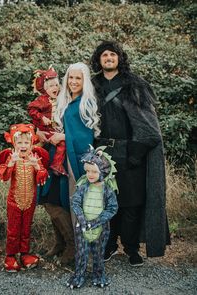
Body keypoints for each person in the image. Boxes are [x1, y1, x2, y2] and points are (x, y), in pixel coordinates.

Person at [91, 40, 170, 266]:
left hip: (130, 151)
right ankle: (109, 245)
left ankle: (132, 248)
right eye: (104, 54)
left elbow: (148, 125)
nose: (108, 58)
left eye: (112, 54)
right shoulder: (92, 85)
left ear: (119, 58)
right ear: (99, 59)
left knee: (132, 203)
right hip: (101, 152)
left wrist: (136, 151)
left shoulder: (134, 84)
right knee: (107, 202)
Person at [37, 62, 100, 265]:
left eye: (78, 78)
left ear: (84, 81)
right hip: (56, 157)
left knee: (63, 200)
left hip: (73, 159)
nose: (73, 82)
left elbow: (86, 137)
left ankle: (72, 246)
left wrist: (62, 137)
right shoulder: (62, 100)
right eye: (70, 78)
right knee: (49, 198)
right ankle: (61, 242)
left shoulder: (86, 103)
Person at [0, 123, 49, 272]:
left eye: (26, 142)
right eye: (19, 142)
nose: (23, 145)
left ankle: (25, 254)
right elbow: (4, 176)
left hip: (30, 201)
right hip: (14, 201)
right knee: (13, 229)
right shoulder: (11, 157)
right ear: (14, 143)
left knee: (26, 229)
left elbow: (42, 177)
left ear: (31, 143)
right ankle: (10, 256)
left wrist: (37, 167)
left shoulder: (35, 157)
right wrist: (11, 163)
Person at [67, 145, 118, 289]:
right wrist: (82, 219)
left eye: (94, 171)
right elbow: (75, 202)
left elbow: (113, 208)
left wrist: (98, 221)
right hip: (82, 228)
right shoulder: (83, 186)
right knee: (81, 254)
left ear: (103, 171)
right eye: (88, 171)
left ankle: (98, 275)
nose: (90, 174)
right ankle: (78, 276)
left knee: (98, 254)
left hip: (101, 229)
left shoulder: (108, 189)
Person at [28, 67, 67, 176]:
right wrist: (41, 117)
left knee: (62, 144)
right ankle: (27, 163)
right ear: (45, 89)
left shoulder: (60, 98)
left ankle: (56, 164)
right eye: (51, 86)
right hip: (45, 130)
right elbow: (31, 109)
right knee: (36, 147)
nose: (55, 88)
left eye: (56, 85)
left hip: (54, 131)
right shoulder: (42, 100)